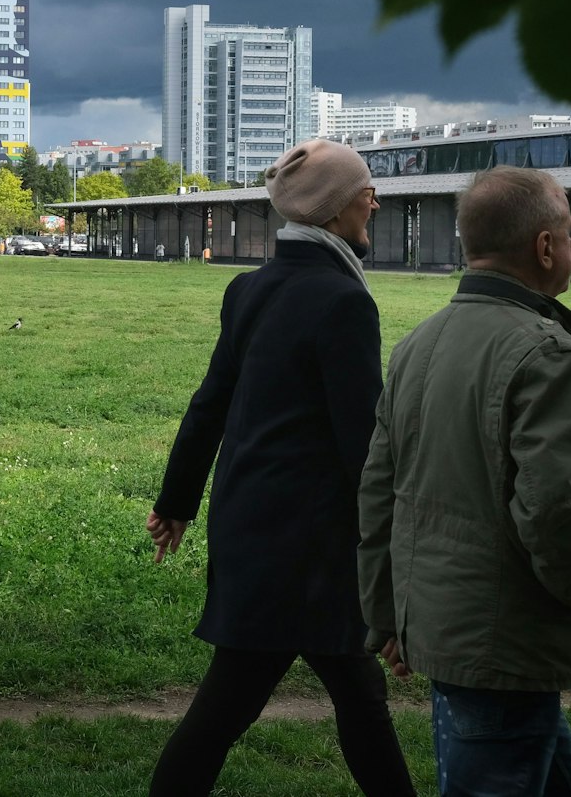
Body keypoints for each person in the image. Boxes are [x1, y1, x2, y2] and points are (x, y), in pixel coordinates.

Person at [146, 140, 413, 797]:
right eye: (366, 192)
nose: (375, 203)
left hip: (253, 530)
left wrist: (177, 501)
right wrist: (397, 545)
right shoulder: (343, 300)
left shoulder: (250, 288)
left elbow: (210, 403)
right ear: (334, 209)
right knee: (240, 706)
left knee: (346, 694)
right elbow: (364, 443)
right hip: (310, 548)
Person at [358, 167, 571, 797]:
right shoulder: (547, 352)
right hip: (504, 643)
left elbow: (379, 493)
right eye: (568, 231)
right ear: (545, 247)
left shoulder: (417, 344)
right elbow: (553, 510)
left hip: (446, 627)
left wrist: (389, 615)